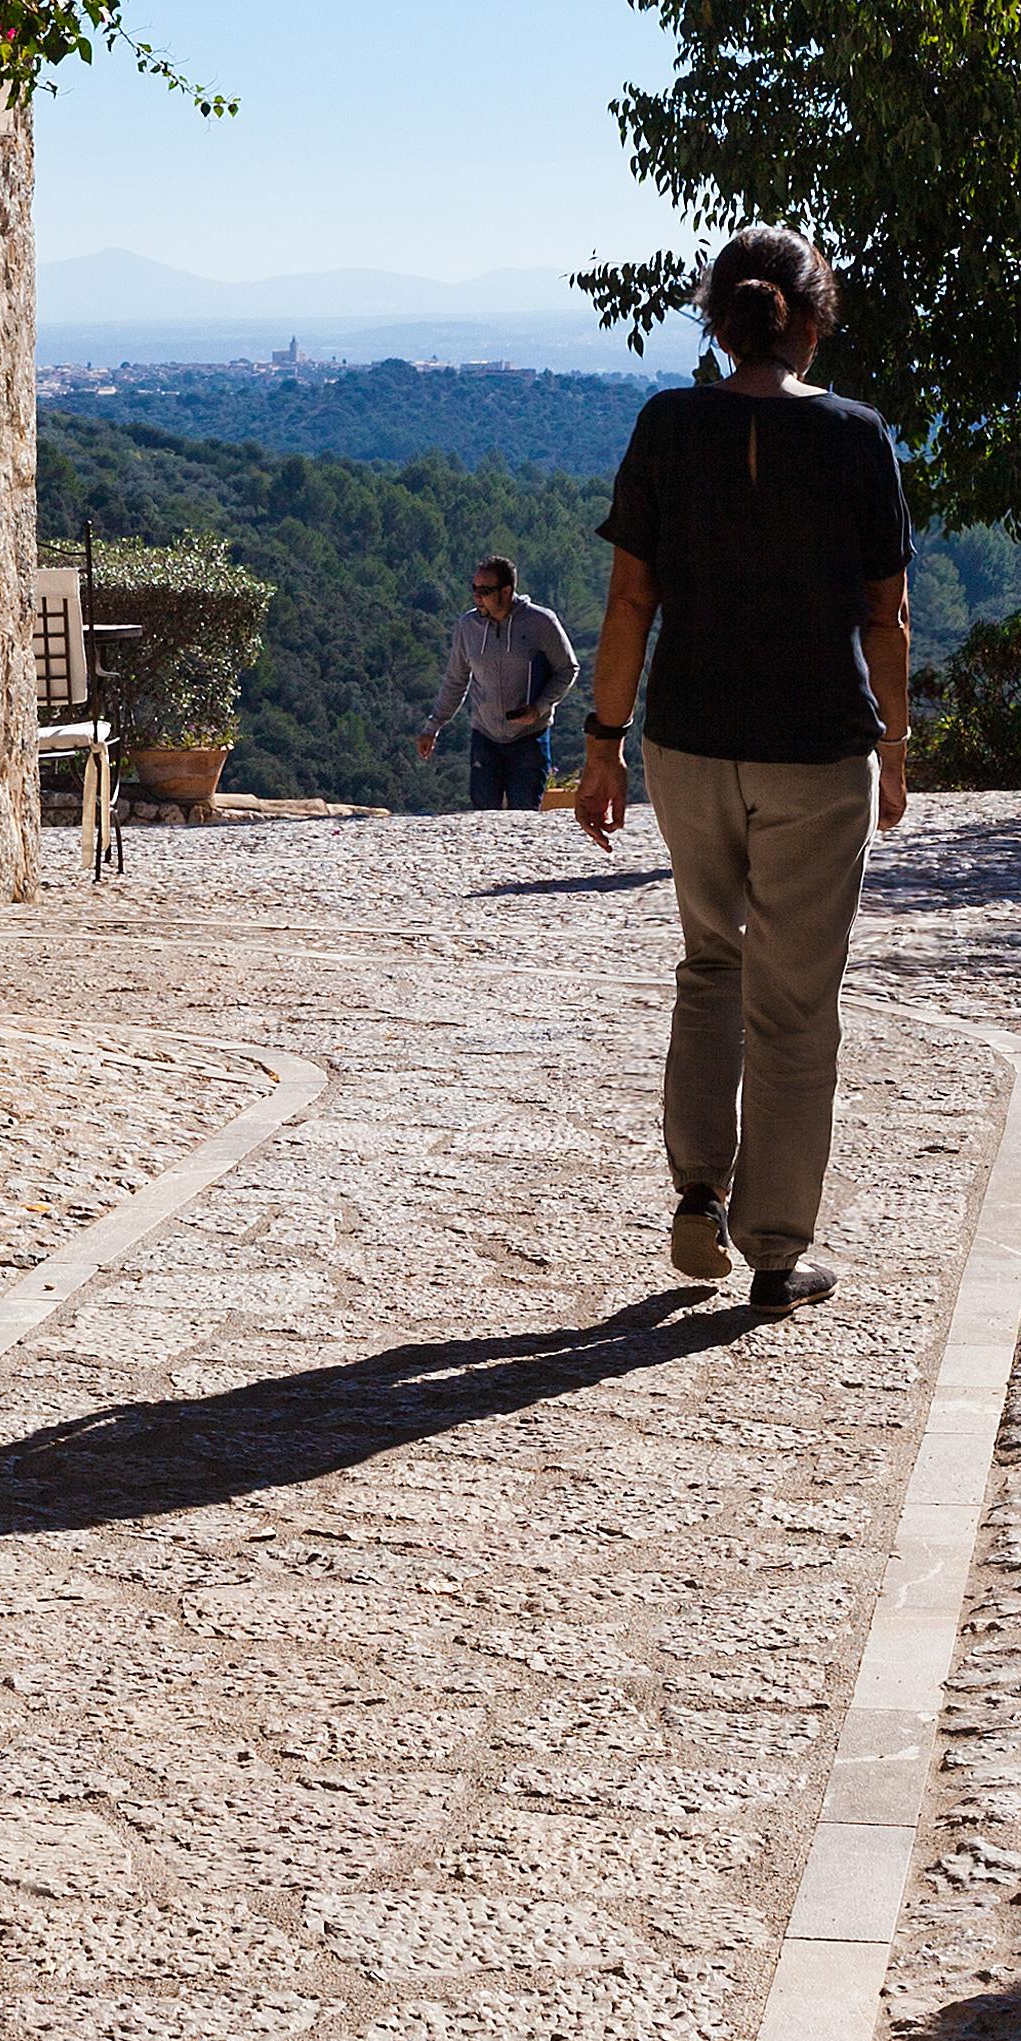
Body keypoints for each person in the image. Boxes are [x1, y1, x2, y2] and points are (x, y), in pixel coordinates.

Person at [572, 227, 913, 1313]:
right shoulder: (858, 438)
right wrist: (895, 752)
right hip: (818, 752)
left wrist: (602, 743)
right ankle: (775, 1248)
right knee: (798, 1004)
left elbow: (632, 602)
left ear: (716, 324)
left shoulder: (667, 427)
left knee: (708, 963)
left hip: (688, 742)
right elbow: (886, 616)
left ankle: (696, 1194)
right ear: (812, 320)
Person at [411, 556, 579, 811]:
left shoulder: (541, 622)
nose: (477, 597)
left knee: (524, 817)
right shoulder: (468, 627)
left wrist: (540, 707)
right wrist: (432, 727)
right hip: (485, 738)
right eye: (474, 590)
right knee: (484, 815)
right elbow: (456, 681)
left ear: (506, 591)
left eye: (485, 591)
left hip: (529, 738)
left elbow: (567, 669)